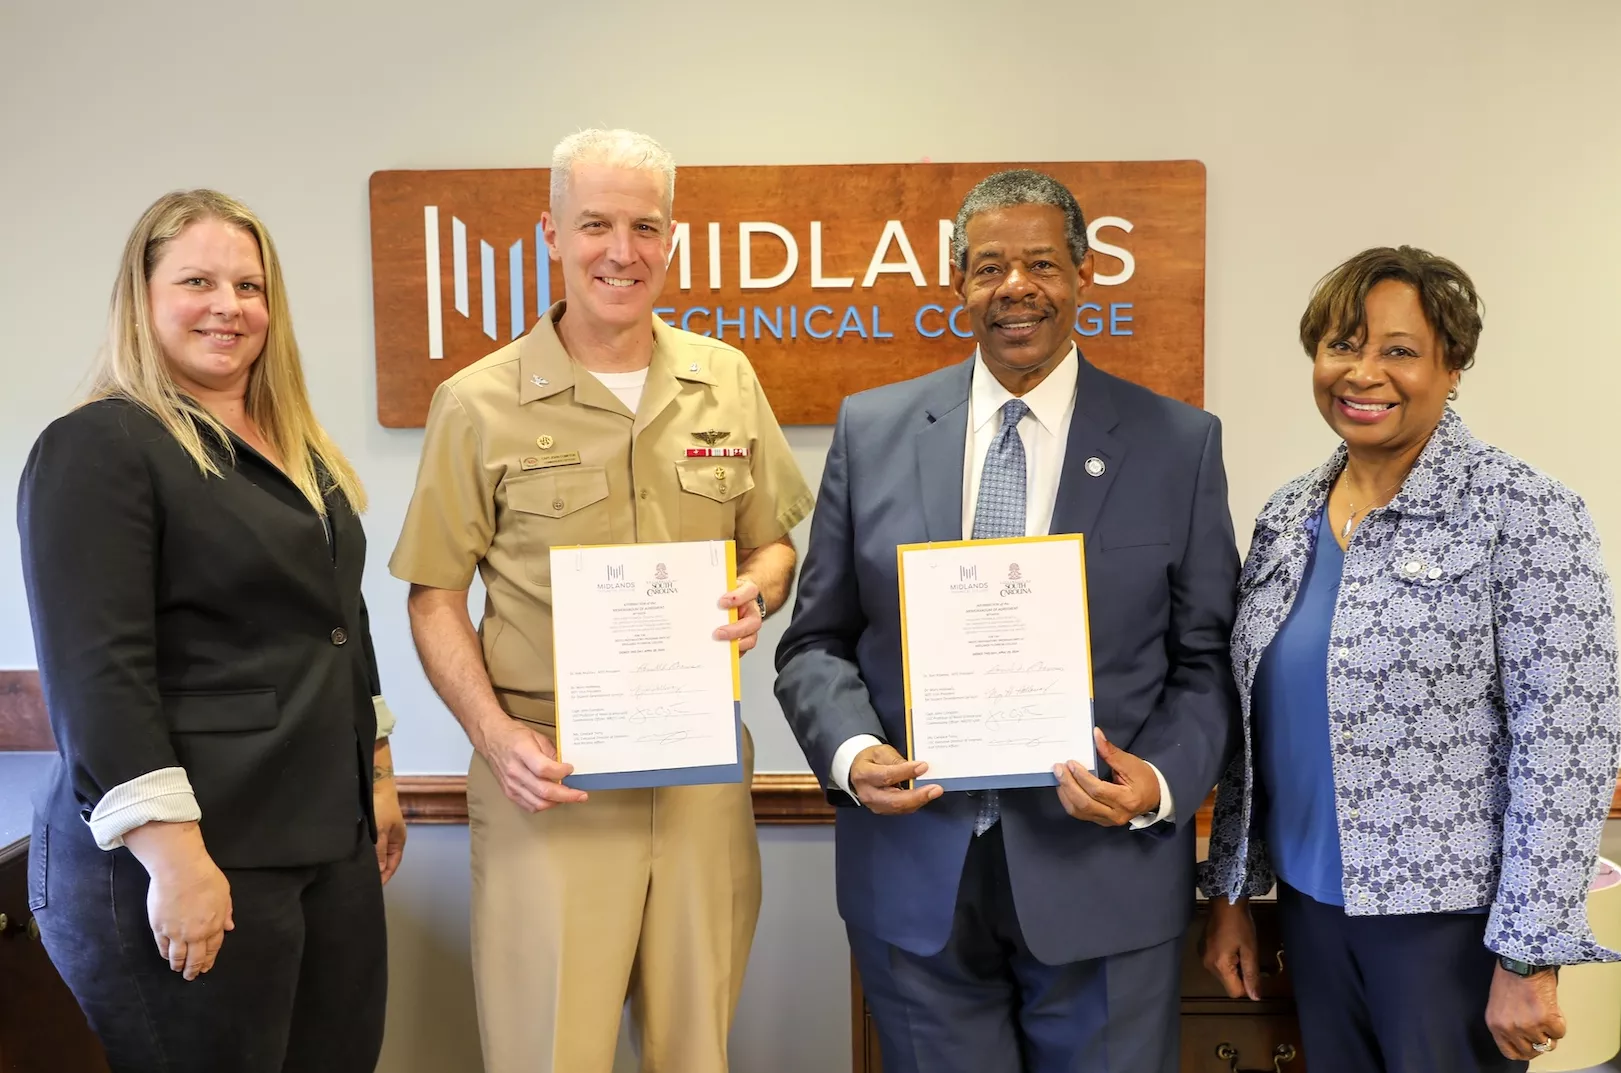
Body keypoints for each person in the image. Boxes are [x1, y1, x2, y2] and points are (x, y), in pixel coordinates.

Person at [773, 169, 1240, 1073]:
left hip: (1103, 874)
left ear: (1083, 274)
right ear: (956, 284)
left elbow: (1205, 658)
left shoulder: (1178, 443)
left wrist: (1155, 781)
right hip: (915, 878)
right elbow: (814, 641)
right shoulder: (872, 430)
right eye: (988, 268)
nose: (1014, 288)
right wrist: (849, 752)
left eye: (1039, 264)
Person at [389, 128, 814, 1073]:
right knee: (551, 1055)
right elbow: (433, 596)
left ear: (672, 239)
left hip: (698, 774)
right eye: (595, 225)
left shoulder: (726, 379)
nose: (621, 251)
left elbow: (775, 543)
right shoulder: (477, 402)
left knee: (695, 1052)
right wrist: (497, 739)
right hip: (551, 776)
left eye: (643, 226)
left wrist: (755, 591)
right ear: (550, 232)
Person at [1200, 245, 1621, 1071]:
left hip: (1453, 928)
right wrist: (1233, 896)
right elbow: (1249, 731)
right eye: (1340, 346)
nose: (1362, 374)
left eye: (1398, 350)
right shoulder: (1286, 516)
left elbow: (1568, 744)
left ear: (1452, 365)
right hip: (1313, 910)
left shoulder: (1523, 514)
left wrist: (1528, 957)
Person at [18, 189, 404, 1073]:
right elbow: (98, 674)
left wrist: (375, 774)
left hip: (324, 835)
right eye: (198, 280)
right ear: (143, 295)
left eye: (249, 285)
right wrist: (177, 859)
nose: (229, 306)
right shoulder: (100, 446)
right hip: (186, 856)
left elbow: (344, 622)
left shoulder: (298, 450)